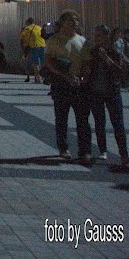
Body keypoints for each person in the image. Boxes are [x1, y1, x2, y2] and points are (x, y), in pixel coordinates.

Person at [78, 25, 129, 165]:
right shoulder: (92, 51)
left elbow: (119, 72)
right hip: (95, 93)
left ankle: (124, 154)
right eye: (95, 36)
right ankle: (103, 150)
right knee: (99, 122)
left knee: (118, 124)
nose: (96, 38)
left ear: (106, 36)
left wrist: (106, 58)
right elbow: (85, 70)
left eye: (99, 36)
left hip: (112, 92)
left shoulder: (114, 51)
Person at [43, 10, 92, 162]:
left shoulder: (82, 41)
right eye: (70, 20)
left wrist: (82, 77)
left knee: (83, 119)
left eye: (76, 20)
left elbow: (87, 63)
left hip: (78, 84)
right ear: (62, 23)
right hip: (61, 83)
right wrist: (64, 75)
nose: (74, 22)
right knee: (61, 118)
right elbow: (49, 61)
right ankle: (63, 148)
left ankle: (85, 151)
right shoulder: (54, 40)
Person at [20, 17, 44, 83]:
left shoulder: (27, 29)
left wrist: (23, 49)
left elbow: (21, 39)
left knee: (34, 63)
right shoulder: (39, 28)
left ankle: (38, 77)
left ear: (28, 22)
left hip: (34, 47)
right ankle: (45, 77)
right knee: (43, 62)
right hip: (42, 46)